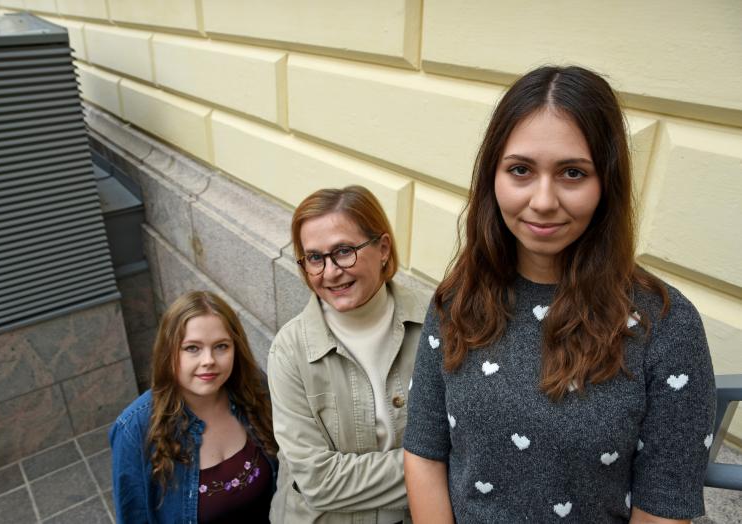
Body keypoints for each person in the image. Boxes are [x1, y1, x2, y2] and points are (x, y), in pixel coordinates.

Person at [403, 65, 716, 523]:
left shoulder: (664, 325)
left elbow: (664, 507)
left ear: (606, 183)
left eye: (572, 172)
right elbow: (425, 454)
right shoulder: (457, 301)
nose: (544, 199)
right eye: (521, 170)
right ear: (493, 177)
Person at [267, 185, 430, 523]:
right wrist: (433, 464)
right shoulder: (289, 350)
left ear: (383, 248)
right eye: (314, 257)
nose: (330, 272)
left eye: (343, 251)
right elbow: (319, 481)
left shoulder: (436, 323)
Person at [110, 290, 278, 523]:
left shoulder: (254, 391)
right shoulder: (135, 428)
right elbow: (133, 516)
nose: (208, 360)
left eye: (221, 346)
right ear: (169, 353)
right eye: (192, 348)